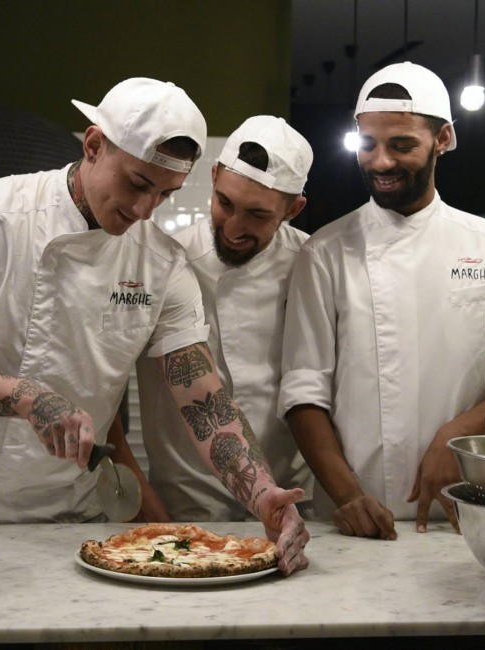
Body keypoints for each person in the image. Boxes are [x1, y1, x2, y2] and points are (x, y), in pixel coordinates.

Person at [0, 77, 308, 574]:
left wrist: (263, 494)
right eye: (138, 184)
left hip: (73, 518)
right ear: (93, 145)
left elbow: (204, 400)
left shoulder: (162, 264)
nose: (145, 210)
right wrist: (30, 399)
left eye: (166, 195)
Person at [279, 62, 485, 540]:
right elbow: (303, 394)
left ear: (442, 139)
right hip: (353, 517)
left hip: (464, 514)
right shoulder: (325, 251)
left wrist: (455, 436)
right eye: (368, 144)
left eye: (402, 145)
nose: (380, 162)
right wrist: (348, 496)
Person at [133, 115, 315, 522]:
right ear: (213, 177)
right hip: (187, 502)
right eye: (224, 203)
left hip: (291, 497)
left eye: (257, 215)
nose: (233, 227)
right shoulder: (164, 262)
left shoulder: (314, 264)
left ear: (294, 208)